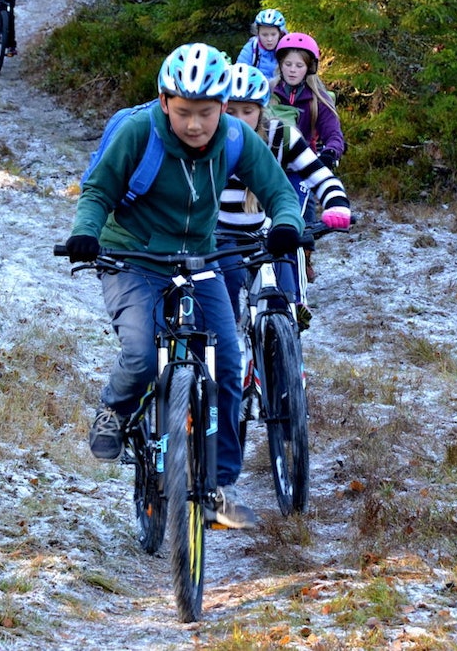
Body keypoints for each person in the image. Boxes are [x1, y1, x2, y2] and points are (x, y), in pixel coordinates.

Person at [65, 43, 304, 530]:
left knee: (228, 363)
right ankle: (115, 408)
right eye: (183, 112)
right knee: (140, 352)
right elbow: (99, 191)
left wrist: (285, 223)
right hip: (133, 254)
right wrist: (85, 233)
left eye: (206, 113)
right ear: (163, 101)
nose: (195, 125)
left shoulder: (235, 137)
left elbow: (279, 189)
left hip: (200, 257)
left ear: (222, 105)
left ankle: (220, 483)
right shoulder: (139, 131)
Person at [217, 63, 351, 326]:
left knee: (285, 285)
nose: (239, 119)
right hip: (221, 233)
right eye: (231, 111)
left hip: (267, 231)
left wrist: (336, 203)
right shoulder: (209, 138)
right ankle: (227, 342)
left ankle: (290, 348)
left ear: (261, 110)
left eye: (247, 111)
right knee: (227, 287)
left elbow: (318, 174)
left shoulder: (281, 136)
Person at [270, 32, 346, 284]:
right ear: (280, 64)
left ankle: (305, 256)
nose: (292, 70)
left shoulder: (318, 99)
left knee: (305, 214)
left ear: (309, 68)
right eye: (288, 64)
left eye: (299, 65)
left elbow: (334, 133)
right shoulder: (267, 93)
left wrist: (330, 152)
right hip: (270, 164)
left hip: (304, 168)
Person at [236, 9, 287, 80]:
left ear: (280, 33)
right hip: (256, 89)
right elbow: (239, 74)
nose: (269, 39)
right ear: (258, 34)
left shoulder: (288, 49)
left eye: (273, 34)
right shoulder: (251, 48)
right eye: (264, 35)